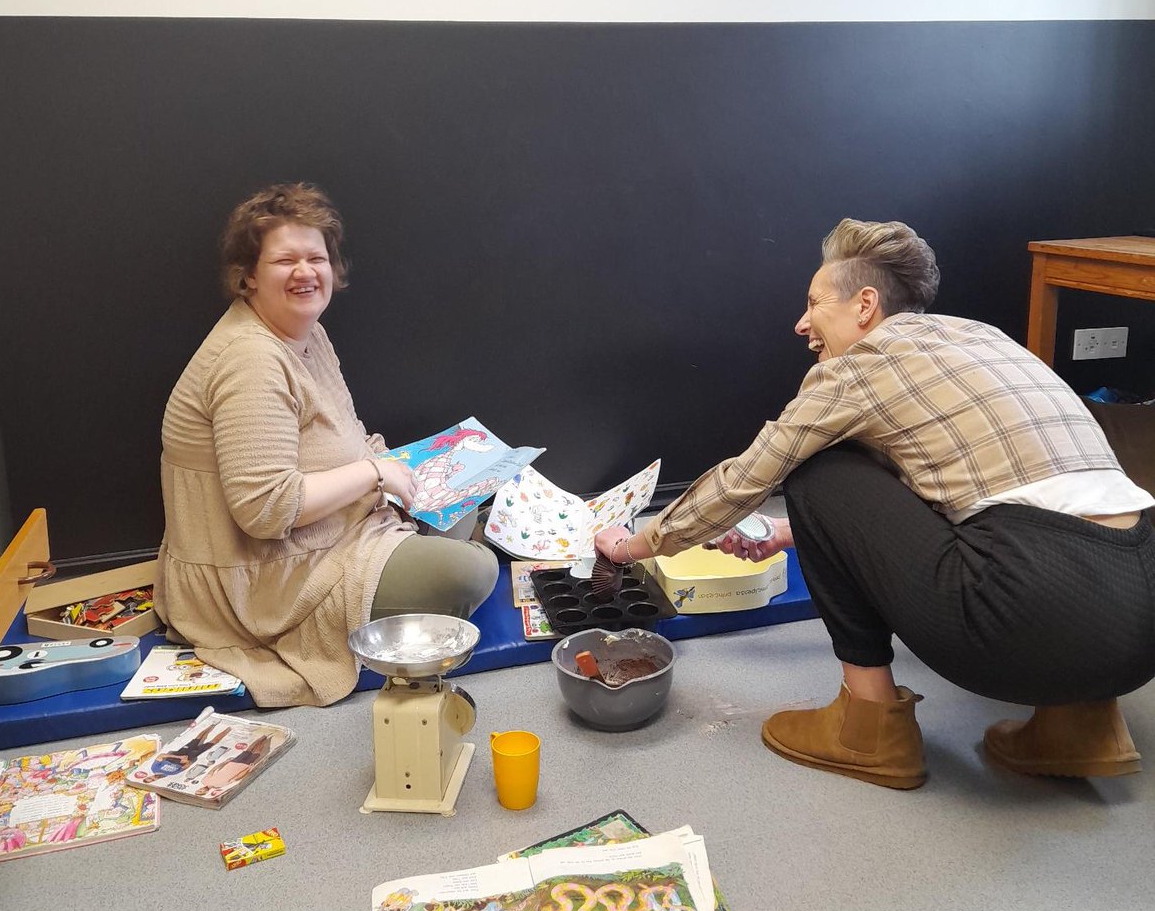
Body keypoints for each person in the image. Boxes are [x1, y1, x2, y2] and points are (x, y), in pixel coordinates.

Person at [596, 219, 1155, 789]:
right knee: (972, 507)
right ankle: (1082, 726)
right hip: (1140, 619)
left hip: (1027, 614)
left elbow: (744, 479)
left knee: (816, 465)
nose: (802, 323)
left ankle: (868, 731)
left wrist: (636, 543)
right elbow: (953, 485)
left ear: (865, 304)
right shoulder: (982, 338)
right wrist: (796, 535)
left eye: (814, 303)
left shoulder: (857, 368)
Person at [154, 183, 498, 707]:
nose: (305, 272)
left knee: (470, 484)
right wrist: (377, 475)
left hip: (341, 527)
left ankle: (433, 552)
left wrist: (398, 467)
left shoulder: (306, 334)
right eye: (284, 260)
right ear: (247, 275)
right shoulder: (251, 360)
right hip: (269, 579)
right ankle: (439, 564)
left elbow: (345, 437)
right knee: (473, 570)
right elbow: (265, 511)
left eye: (316, 257)